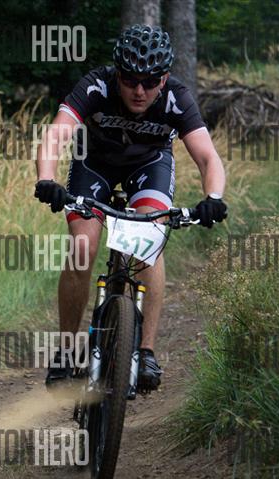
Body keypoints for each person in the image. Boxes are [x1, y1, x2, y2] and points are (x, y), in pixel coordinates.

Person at [34, 25, 227, 392]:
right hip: (95, 165)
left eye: (151, 82)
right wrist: (47, 179)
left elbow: (207, 157)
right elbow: (56, 135)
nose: (140, 90)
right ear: (117, 74)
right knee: (83, 247)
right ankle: (66, 350)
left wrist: (213, 198)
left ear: (164, 78)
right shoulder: (96, 86)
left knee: (146, 244)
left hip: (149, 167)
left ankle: (146, 350)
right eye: (130, 80)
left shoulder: (177, 97)